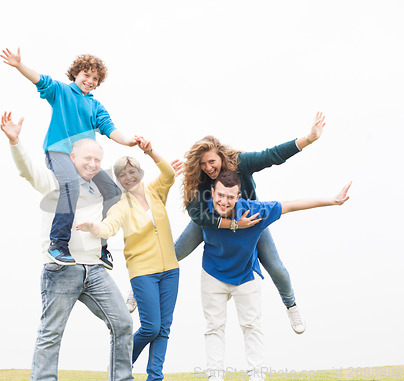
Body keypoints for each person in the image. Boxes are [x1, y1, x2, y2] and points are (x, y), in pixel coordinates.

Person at [0, 112, 134, 381]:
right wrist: (15, 142)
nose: (93, 164)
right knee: (52, 333)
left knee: (123, 323)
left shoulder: (101, 189)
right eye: (87, 158)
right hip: (61, 269)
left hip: (95, 269)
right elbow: (28, 171)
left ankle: (122, 378)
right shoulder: (55, 182)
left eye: (97, 160)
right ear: (71, 158)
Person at [176, 112, 327, 334]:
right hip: (213, 222)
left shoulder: (239, 163)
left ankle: (291, 305)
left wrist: (309, 138)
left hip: (249, 219)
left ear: (221, 156)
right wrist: (235, 225)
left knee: (276, 267)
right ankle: (140, 283)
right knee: (175, 252)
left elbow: (272, 155)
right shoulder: (199, 180)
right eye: (203, 164)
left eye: (211, 161)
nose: (208, 167)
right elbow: (197, 215)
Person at [201, 170, 351, 381]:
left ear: (239, 197)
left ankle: (257, 376)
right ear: (212, 192)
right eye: (221, 195)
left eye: (231, 197)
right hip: (213, 274)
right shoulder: (201, 210)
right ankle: (214, 377)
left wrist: (333, 200)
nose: (224, 201)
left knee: (252, 326)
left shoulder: (255, 211)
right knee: (214, 327)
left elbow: (291, 205)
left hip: (245, 275)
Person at [1, 48, 137, 268]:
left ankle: (101, 247)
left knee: (112, 192)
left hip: (85, 160)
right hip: (60, 152)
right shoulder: (62, 92)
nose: (90, 81)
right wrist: (19, 65)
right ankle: (58, 244)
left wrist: (129, 141)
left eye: (95, 78)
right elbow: (41, 80)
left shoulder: (95, 106)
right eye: (86, 75)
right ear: (75, 74)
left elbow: (110, 129)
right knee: (70, 185)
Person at [77, 138, 179, 381]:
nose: (128, 177)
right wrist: (95, 227)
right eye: (122, 174)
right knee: (151, 327)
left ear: (140, 173)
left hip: (171, 269)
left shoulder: (155, 191)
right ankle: (121, 367)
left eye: (132, 172)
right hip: (143, 271)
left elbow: (169, 174)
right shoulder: (121, 205)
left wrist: (150, 151)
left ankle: (155, 377)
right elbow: (109, 226)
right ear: (119, 180)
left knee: (164, 329)